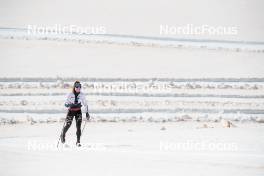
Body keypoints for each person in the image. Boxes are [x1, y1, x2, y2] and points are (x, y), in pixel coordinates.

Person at [61, 81, 90, 147]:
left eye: (79, 86)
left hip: (78, 111)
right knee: (68, 124)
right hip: (71, 111)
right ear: (74, 87)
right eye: (76, 86)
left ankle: (78, 141)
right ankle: (63, 134)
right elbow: (65, 104)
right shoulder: (70, 94)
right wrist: (69, 104)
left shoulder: (82, 95)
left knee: (78, 126)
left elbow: (85, 104)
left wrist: (87, 113)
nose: (78, 88)